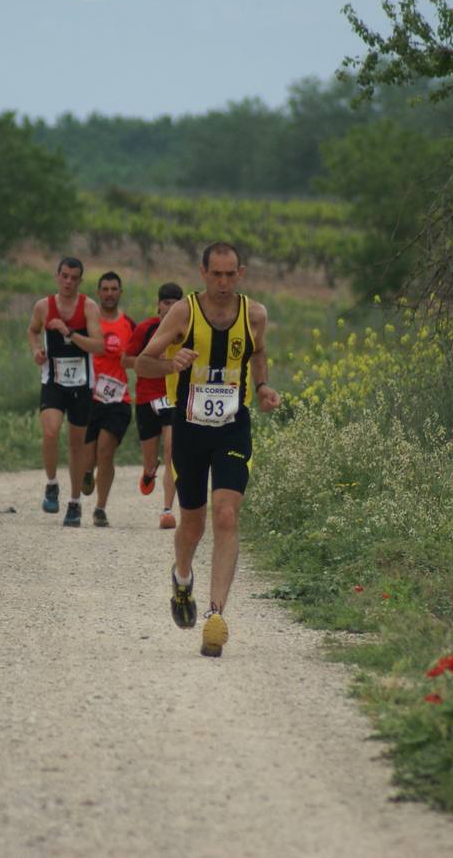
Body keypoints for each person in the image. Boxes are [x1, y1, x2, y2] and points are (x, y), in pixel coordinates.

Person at [135, 242, 281, 657]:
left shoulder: (255, 314)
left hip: (233, 425)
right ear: (202, 272)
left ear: (241, 274)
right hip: (190, 427)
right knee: (194, 525)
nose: (222, 282)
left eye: (229, 274)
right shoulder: (184, 312)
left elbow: (259, 355)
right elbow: (141, 362)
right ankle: (182, 579)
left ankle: (216, 616)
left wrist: (265, 386)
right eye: (215, 274)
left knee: (227, 513)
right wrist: (170, 364)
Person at [27, 257, 106, 527]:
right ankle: (51, 484)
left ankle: (74, 503)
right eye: (65, 276)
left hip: (82, 384)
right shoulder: (43, 306)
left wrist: (70, 333)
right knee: (50, 431)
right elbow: (32, 331)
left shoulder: (89, 308)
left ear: (80, 281)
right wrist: (36, 351)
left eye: (74, 277)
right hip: (54, 381)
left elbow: (98, 346)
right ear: (57, 276)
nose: (69, 282)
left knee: (76, 445)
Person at [78, 272, 135, 528]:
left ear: (120, 292)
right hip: (90, 397)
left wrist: (128, 360)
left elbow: (139, 359)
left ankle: (100, 508)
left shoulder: (129, 325)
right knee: (88, 459)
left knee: (106, 452)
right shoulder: (89, 323)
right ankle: (87, 473)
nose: (110, 293)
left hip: (118, 399)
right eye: (105, 289)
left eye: (114, 289)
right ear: (98, 292)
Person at [126, 281, 183, 530]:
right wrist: (151, 360)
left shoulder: (186, 330)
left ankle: (167, 510)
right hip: (148, 397)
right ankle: (149, 471)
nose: (170, 308)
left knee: (172, 449)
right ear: (158, 304)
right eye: (166, 303)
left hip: (173, 396)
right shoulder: (146, 329)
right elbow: (127, 360)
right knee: (151, 458)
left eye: (175, 303)